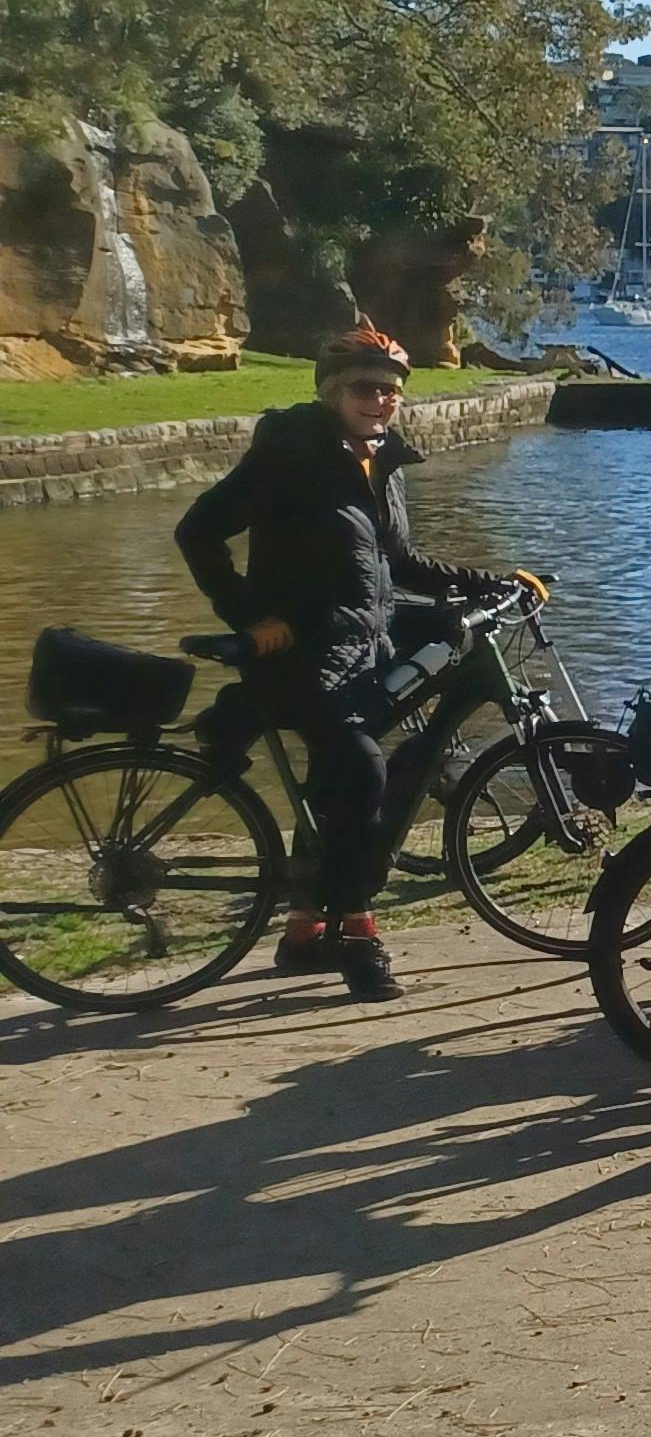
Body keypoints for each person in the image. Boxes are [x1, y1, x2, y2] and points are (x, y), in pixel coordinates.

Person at [173, 326, 544, 999]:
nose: (380, 400)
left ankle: (305, 925)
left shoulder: (379, 459)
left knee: (448, 642)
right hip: (303, 653)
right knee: (362, 769)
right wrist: (250, 617)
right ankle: (358, 932)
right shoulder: (289, 456)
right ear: (330, 392)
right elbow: (196, 531)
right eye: (365, 388)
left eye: (392, 390)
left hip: (360, 637)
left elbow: (395, 564)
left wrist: (484, 582)